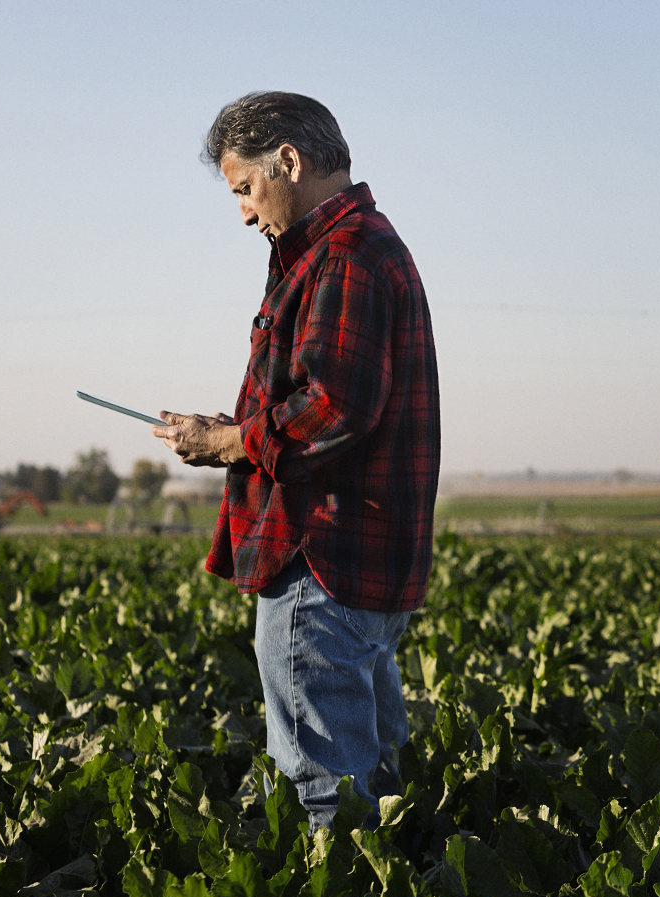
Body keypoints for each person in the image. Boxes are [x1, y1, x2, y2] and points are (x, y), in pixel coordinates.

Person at [153, 92, 441, 828]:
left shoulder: (344, 255)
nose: (245, 213)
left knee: (329, 794)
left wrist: (225, 442)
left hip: (322, 558)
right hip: (366, 565)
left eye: (245, 189)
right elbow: (330, 401)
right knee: (375, 779)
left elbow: (333, 409)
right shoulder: (365, 246)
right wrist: (241, 427)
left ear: (289, 160)